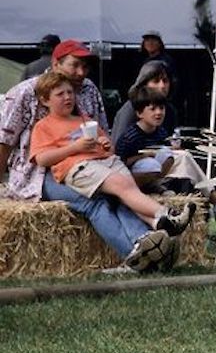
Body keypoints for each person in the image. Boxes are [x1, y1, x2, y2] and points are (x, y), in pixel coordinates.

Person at [0, 39, 174, 271]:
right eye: (74, 65)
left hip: (88, 164)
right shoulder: (25, 92)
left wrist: (103, 148)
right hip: (41, 175)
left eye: (85, 67)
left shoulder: (89, 89)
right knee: (95, 201)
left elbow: (101, 132)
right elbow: (5, 141)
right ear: (56, 63)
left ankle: (149, 243)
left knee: (115, 192)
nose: (81, 72)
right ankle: (136, 251)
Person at [30, 72, 194, 237]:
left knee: (129, 191)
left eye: (70, 92)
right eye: (60, 94)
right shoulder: (43, 126)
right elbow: (42, 159)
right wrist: (75, 147)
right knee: (122, 186)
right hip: (79, 167)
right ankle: (168, 214)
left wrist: (105, 144)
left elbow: (110, 147)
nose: (67, 97)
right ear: (45, 100)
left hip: (106, 161)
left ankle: (155, 224)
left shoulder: (84, 119)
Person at [115, 86, 216, 218]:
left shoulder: (161, 132)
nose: (158, 113)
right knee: (150, 164)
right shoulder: (129, 137)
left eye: (161, 108)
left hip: (160, 171)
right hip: (134, 178)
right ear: (139, 113)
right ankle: (159, 190)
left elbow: (166, 154)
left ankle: (212, 200)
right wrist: (143, 156)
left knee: (183, 156)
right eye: (152, 109)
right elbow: (120, 163)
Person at [111, 61, 178, 146]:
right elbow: (119, 146)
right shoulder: (132, 108)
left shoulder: (170, 110)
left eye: (165, 81)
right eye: (156, 81)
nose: (162, 86)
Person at [140, 30, 178, 96]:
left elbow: (173, 81)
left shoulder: (166, 61)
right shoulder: (144, 61)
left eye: (153, 40)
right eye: (147, 40)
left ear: (160, 43)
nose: (150, 43)